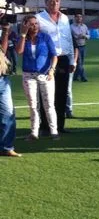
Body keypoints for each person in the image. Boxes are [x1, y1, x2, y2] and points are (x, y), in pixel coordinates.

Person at [36, 0, 75, 134]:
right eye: (52, 1)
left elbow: (69, 40)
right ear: (46, 2)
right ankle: (46, 126)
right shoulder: (38, 18)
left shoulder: (64, 18)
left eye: (57, 1)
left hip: (63, 59)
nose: (55, 4)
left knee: (62, 93)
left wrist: (72, 60)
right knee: (46, 94)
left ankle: (60, 125)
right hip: (46, 60)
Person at [15, 14, 59, 141]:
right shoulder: (23, 38)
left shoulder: (45, 37)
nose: (34, 26)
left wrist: (52, 70)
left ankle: (54, 131)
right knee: (33, 105)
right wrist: (23, 35)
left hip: (45, 74)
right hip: (28, 75)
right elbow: (19, 51)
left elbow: (54, 55)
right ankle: (34, 132)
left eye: (36, 23)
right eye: (31, 24)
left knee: (49, 104)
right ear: (25, 25)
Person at [0, 18, 21, 157]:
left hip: (2, 78)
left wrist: (6, 32)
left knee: (8, 113)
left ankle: (6, 147)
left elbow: (2, 49)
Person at [71, 12, 90, 81]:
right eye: (77, 17)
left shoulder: (84, 26)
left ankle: (75, 77)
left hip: (83, 46)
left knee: (81, 62)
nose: (79, 18)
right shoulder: (71, 27)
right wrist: (77, 37)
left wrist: (85, 36)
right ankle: (83, 77)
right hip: (76, 47)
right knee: (79, 62)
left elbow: (88, 35)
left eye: (80, 17)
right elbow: (70, 37)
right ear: (75, 18)